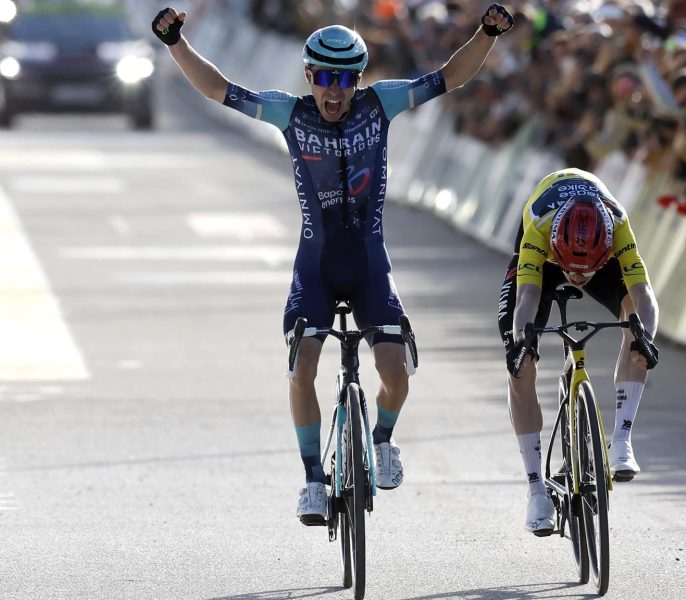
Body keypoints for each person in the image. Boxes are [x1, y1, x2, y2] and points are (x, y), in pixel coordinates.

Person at [151, 4, 513, 525]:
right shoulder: (289, 113)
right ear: (308, 76)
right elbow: (217, 89)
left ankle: (382, 440)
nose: (335, 91)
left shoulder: (381, 103)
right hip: (316, 267)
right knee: (303, 367)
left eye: (345, 80)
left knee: (396, 373)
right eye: (324, 79)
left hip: (369, 265)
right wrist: (175, 43)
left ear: (359, 79)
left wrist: (487, 33)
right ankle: (313, 480)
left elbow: (449, 77)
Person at [497, 168, 659, 534]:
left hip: (593, 247)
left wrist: (646, 337)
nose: (580, 277)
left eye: (587, 272)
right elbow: (527, 297)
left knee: (637, 328)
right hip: (546, 262)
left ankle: (621, 439)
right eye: (576, 271)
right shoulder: (539, 226)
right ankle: (536, 489)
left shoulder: (616, 224)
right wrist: (522, 341)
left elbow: (645, 295)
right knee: (519, 365)